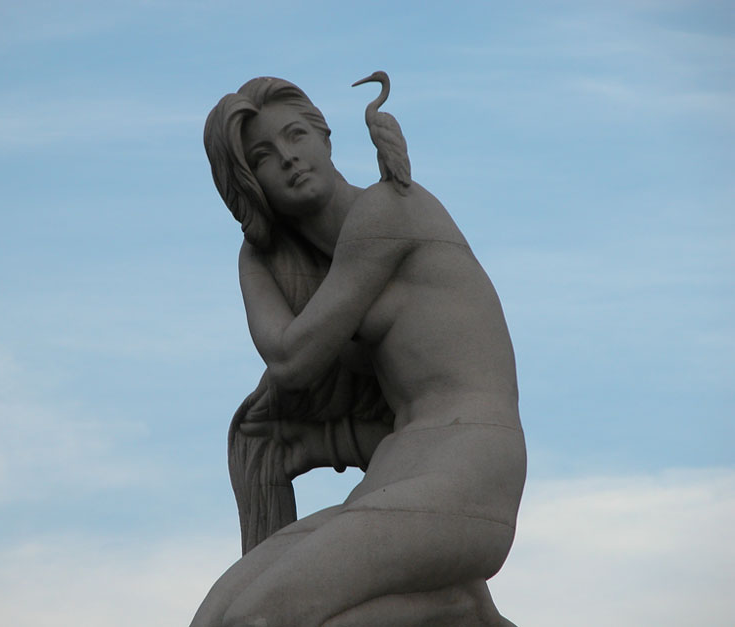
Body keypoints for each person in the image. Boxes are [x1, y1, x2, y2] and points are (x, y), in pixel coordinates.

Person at [193, 76, 526, 627]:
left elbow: (291, 360)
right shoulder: (315, 267)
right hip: (399, 468)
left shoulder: (386, 212)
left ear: (326, 138)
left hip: (471, 467)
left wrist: (253, 263)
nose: (288, 158)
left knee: (260, 619)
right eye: (263, 157)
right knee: (216, 617)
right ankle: (454, 606)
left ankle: (455, 605)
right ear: (249, 184)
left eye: (296, 135)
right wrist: (255, 253)